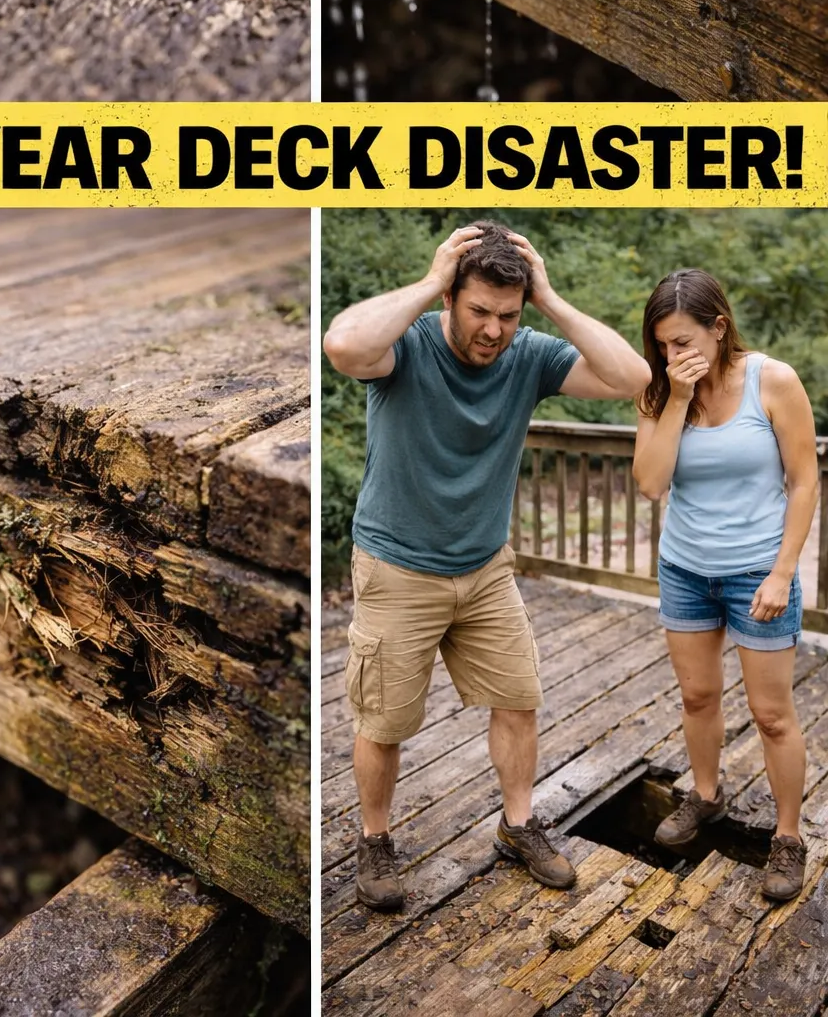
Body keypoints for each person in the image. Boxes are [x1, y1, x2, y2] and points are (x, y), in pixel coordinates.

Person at [323, 221, 651, 912]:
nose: (493, 330)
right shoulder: (405, 348)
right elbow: (344, 344)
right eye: (478, 311)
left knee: (519, 699)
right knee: (383, 723)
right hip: (398, 569)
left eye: (508, 315)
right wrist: (428, 282)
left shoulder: (529, 356)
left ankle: (518, 824)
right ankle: (375, 839)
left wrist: (552, 300)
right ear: (450, 298)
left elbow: (633, 378)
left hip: (485, 569)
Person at [633, 268, 818, 902]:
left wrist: (784, 570)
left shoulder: (774, 380)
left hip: (757, 572)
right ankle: (706, 797)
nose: (671, 355)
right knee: (697, 698)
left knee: (771, 716)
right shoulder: (659, 394)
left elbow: (804, 481)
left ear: (719, 327)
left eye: (683, 341)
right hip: (684, 568)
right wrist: (678, 398)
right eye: (662, 344)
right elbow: (652, 485)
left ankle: (788, 837)